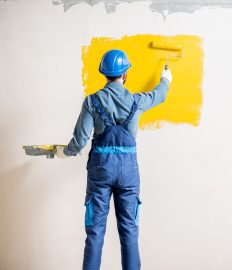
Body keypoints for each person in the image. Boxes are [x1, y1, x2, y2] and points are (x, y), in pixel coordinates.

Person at [55, 49, 172, 270]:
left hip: (100, 170)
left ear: (104, 74)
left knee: (95, 232)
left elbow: (79, 141)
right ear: (125, 74)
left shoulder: (92, 101)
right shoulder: (138, 101)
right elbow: (160, 94)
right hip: (128, 172)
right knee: (129, 231)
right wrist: (166, 78)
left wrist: (65, 152)